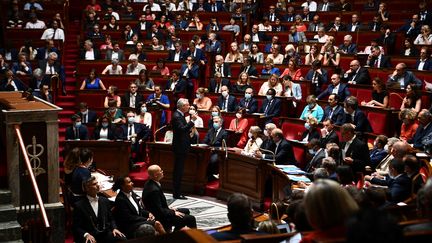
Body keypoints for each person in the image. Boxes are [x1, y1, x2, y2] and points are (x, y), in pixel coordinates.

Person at [142, 165, 196, 231]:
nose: (162, 171)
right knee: (191, 218)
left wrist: (170, 209)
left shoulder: (150, 183)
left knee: (186, 211)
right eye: (160, 171)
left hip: (161, 211)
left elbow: (157, 205)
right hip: (161, 217)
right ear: (156, 175)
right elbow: (159, 211)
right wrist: (173, 212)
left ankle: (177, 232)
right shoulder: (154, 190)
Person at [72, 176, 127, 243]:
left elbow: (111, 218)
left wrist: (114, 228)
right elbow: (76, 227)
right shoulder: (79, 205)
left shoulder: (105, 201)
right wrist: (86, 235)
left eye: (97, 183)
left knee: (122, 239)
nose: (98, 185)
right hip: (90, 234)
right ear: (87, 188)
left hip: (105, 233)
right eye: (94, 184)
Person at [170, 99, 197, 199]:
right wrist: (192, 121)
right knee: (178, 171)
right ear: (181, 106)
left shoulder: (180, 115)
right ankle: (176, 193)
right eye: (186, 105)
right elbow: (182, 129)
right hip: (180, 148)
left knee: (179, 170)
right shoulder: (177, 116)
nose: (189, 107)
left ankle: (177, 192)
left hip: (181, 147)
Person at [202, 115, 228, 180]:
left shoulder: (224, 133)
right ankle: (202, 176)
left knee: (212, 160)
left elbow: (223, 146)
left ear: (221, 123)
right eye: (213, 122)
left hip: (217, 152)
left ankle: (210, 177)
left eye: (216, 122)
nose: (214, 123)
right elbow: (204, 141)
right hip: (208, 150)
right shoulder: (210, 131)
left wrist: (214, 149)